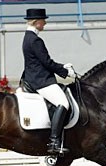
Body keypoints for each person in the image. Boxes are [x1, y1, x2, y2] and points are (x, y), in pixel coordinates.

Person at [21, 8, 76, 155]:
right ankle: (54, 142)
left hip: (34, 77)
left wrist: (62, 66)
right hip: (40, 80)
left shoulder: (27, 37)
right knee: (63, 103)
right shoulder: (35, 40)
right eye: (43, 20)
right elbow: (47, 62)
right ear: (37, 22)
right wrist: (65, 71)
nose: (45, 23)